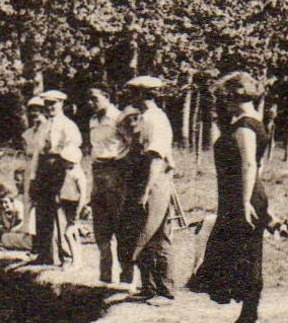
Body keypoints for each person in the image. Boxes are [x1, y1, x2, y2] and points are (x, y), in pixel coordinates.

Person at [188, 71, 270, 323]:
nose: (223, 102)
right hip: (237, 197)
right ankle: (249, 316)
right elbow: (257, 167)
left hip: (241, 198)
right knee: (239, 254)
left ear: (236, 96)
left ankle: (249, 318)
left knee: (246, 256)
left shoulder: (246, 125)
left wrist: (246, 201)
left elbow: (249, 164)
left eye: (225, 97)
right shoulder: (251, 122)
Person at [121, 75, 178, 305]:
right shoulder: (143, 118)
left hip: (152, 181)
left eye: (133, 93)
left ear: (142, 94)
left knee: (155, 234)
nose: (131, 97)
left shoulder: (156, 119)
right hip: (140, 180)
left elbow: (156, 158)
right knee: (140, 232)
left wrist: (146, 190)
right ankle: (148, 287)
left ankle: (165, 290)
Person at [87, 86, 133, 286]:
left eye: (95, 98)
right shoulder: (93, 120)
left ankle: (126, 275)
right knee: (101, 225)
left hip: (115, 172)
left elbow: (131, 144)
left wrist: (117, 160)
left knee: (120, 225)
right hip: (98, 172)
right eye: (89, 100)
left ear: (106, 97)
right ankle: (105, 276)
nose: (91, 103)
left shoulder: (119, 118)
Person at [32, 89, 84, 267]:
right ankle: (45, 254)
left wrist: (63, 173)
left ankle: (67, 256)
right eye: (47, 104)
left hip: (60, 167)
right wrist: (34, 177)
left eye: (53, 103)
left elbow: (72, 152)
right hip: (44, 168)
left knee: (59, 210)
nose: (50, 107)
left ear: (61, 104)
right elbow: (38, 152)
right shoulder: (44, 125)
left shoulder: (68, 125)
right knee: (43, 211)